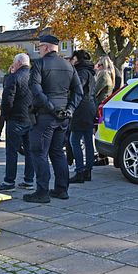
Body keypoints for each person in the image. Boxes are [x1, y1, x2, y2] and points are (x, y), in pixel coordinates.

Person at [23, 35, 83, 203]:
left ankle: (42, 191)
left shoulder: (40, 64)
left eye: (40, 47)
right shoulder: (69, 66)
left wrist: (51, 108)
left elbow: (35, 89)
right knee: (57, 152)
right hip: (63, 116)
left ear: (47, 48)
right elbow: (79, 92)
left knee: (39, 152)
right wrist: (69, 109)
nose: (39, 50)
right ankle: (61, 189)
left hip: (45, 116)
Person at [0, 53, 35, 191]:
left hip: (15, 119)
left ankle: (9, 181)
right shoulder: (35, 76)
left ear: (18, 63)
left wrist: (6, 115)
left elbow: (7, 99)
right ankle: (29, 180)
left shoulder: (14, 77)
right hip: (30, 118)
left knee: (11, 151)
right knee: (30, 151)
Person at [69, 50, 96, 184]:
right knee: (88, 141)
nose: (71, 61)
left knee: (74, 140)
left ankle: (80, 171)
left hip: (81, 108)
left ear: (77, 59)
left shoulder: (81, 72)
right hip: (90, 107)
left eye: (72, 58)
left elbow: (77, 88)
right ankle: (88, 171)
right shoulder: (90, 71)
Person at [92, 56, 117, 167]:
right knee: (99, 129)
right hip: (103, 106)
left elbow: (95, 91)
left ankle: (102, 157)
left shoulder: (103, 75)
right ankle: (102, 156)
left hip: (99, 107)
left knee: (97, 130)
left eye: (98, 64)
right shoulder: (110, 75)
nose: (97, 66)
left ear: (102, 65)